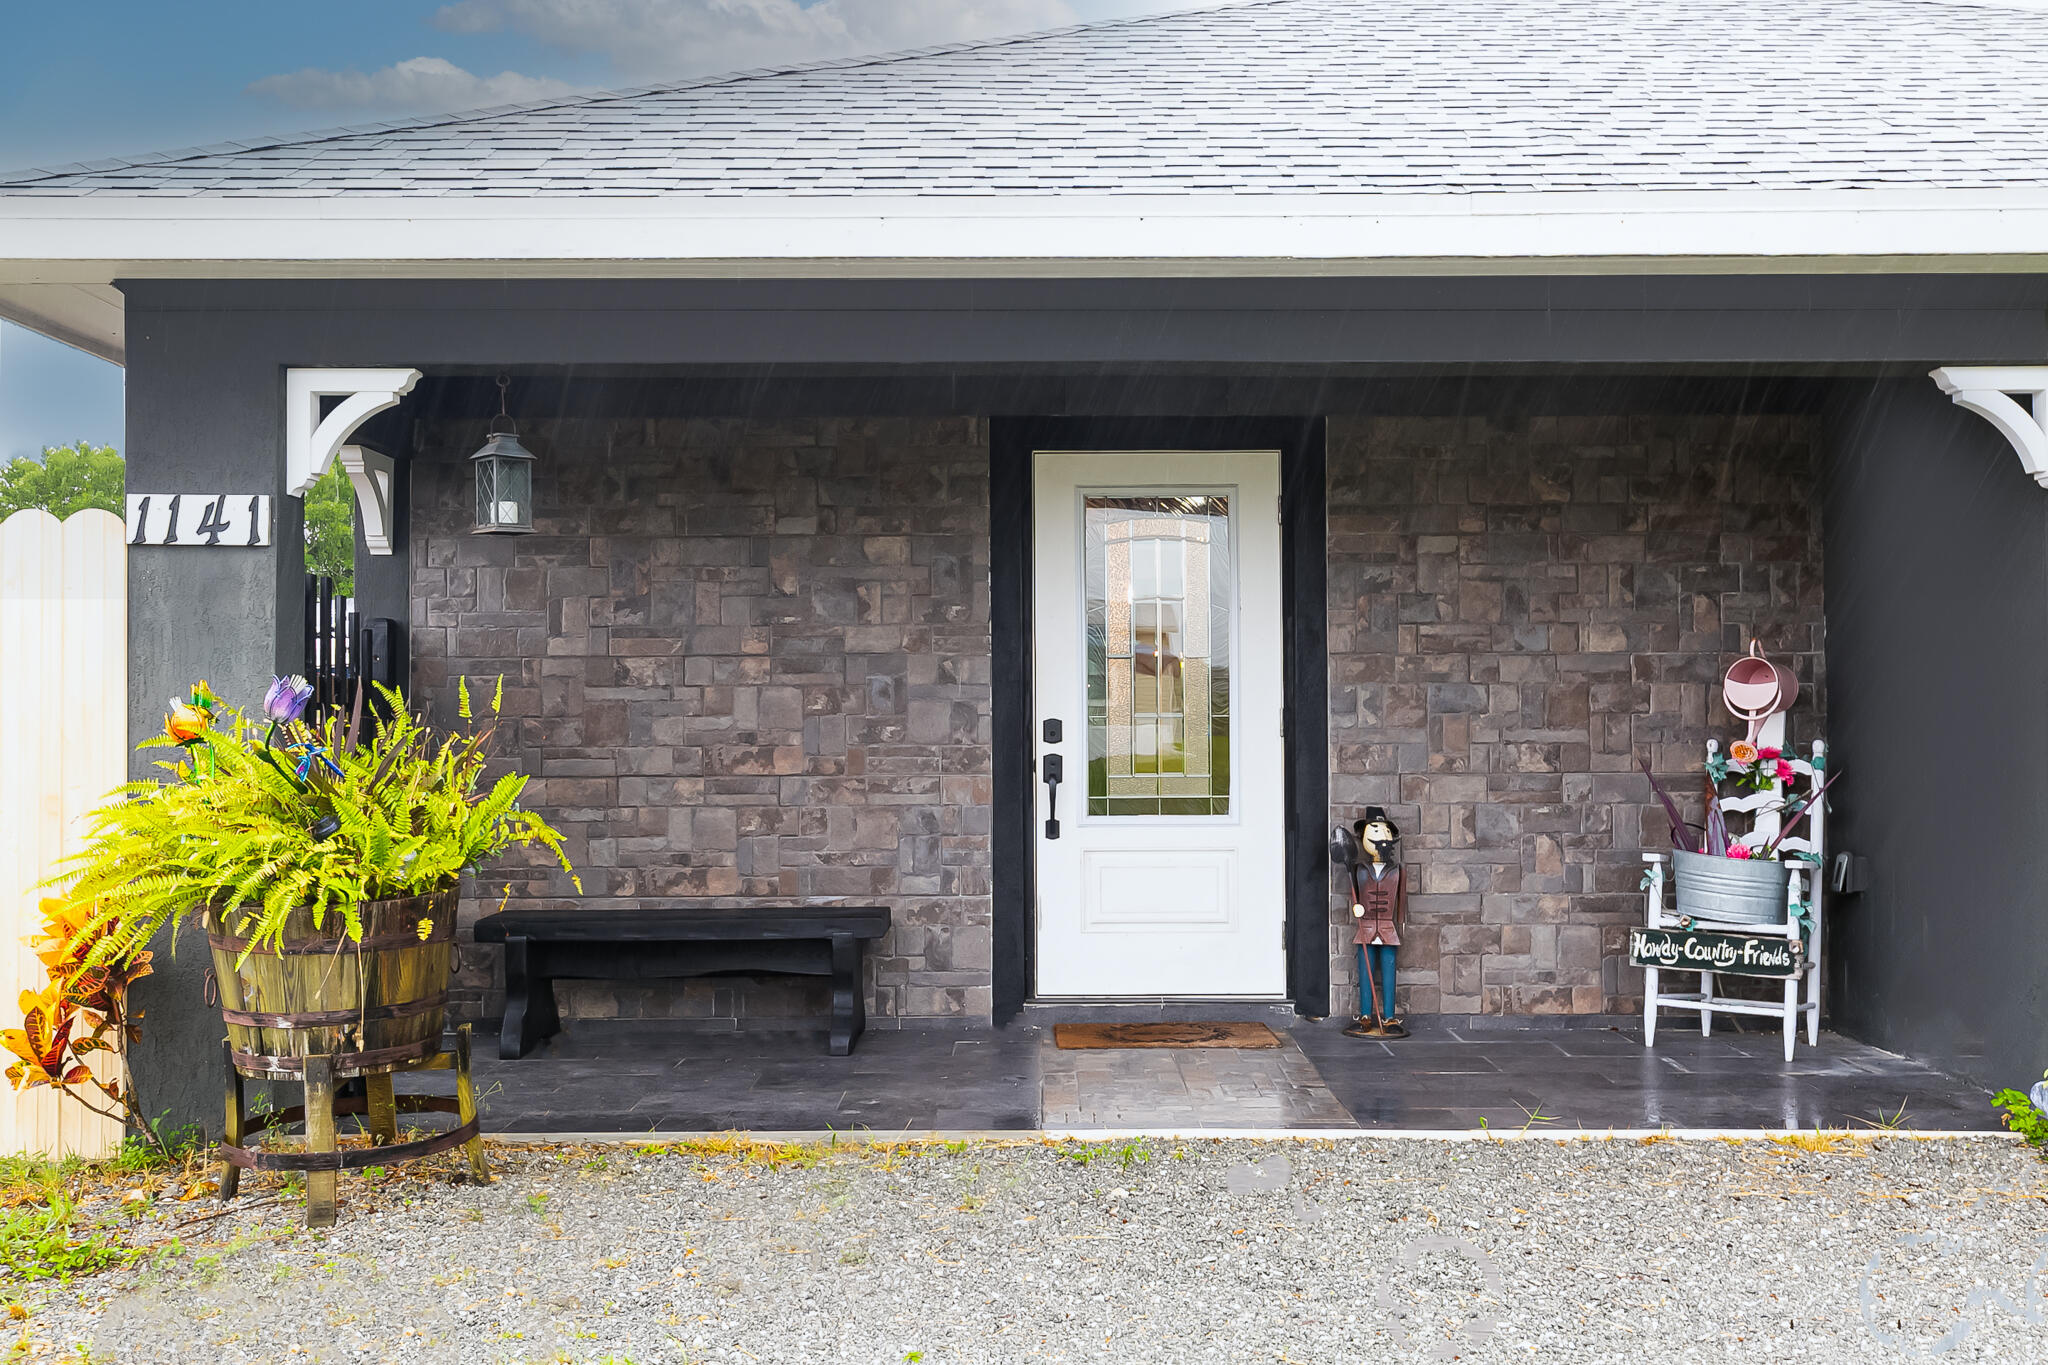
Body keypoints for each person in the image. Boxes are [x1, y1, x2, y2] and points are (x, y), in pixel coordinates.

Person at [1344, 808, 1408, 1039]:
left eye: (1384, 830)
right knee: (1365, 972)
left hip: (1388, 929)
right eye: (1374, 830)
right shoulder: (1358, 869)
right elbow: (1354, 895)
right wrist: (1355, 906)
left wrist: (1401, 924)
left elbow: (1402, 901)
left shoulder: (1399, 870)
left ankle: (1390, 1017)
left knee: (1389, 973)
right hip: (1366, 927)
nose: (1380, 835)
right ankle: (1364, 1016)